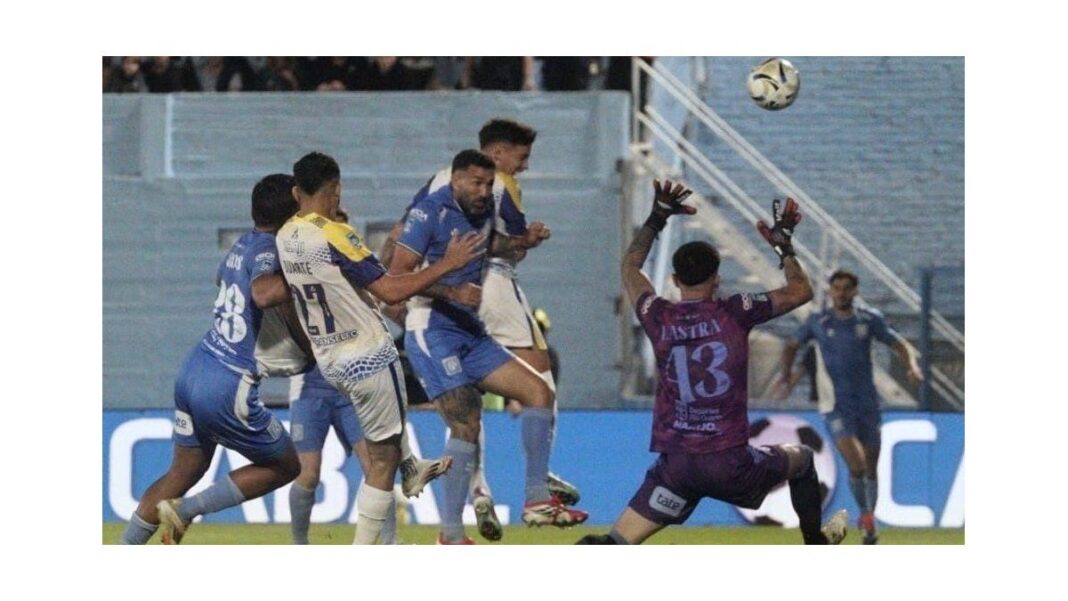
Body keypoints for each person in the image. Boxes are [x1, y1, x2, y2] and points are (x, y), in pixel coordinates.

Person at [576, 182, 848, 545]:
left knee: (614, 541)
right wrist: (783, 245)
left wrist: (658, 215)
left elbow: (630, 266)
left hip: (678, 468)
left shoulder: (657, 314)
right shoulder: (736, 312)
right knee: (801, 459)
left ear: (674, 280)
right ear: (717, 279)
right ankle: (816, 542)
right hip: (730, 464)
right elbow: (801, 291)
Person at [381, 121, 582, 542]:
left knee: (538, 391)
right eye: (475, 182)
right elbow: (397, 275)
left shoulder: (486, 205)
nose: (483, 189)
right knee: (466, 424)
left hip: (468, 330)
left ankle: (536, 497)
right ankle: (451, 532)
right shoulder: (428, 213)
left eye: (488, 183)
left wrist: (524, 240)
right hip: (431, 329)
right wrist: (451, 282)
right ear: (455, 180)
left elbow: (493, 246)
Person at [278, 151, 486, 544]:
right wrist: (448, 263)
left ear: (296, 192)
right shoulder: (337, 234)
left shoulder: (287, 236)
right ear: (336, 190)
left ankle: (411, 468)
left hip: (330, 360)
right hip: (368, 356)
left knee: (387, 445)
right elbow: (390, 289)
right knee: (380, 461)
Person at [119, 174, 305, 544]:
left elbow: (221, 279)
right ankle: (187, 510)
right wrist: (308, 275)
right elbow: (264, 293)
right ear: (291, 211)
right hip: (227, 382)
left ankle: (123, 552)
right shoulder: (270, 248)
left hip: (197, 366)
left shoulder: (243, 244)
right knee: (286, 465)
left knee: (182, 474)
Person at [779, 269, 922, 544]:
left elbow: (899, 343)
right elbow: (791, 345)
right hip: (835, 404)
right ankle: (866, 515)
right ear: (830, 291)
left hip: (867, 403)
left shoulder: (869, 320)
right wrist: (786, 376)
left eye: (846, 288)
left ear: (855, 291)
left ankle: (869, 523)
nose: (841, 293)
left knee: (870, 466)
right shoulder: (818, 321)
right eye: (837, 288)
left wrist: (912, 367)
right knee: (855, 464)